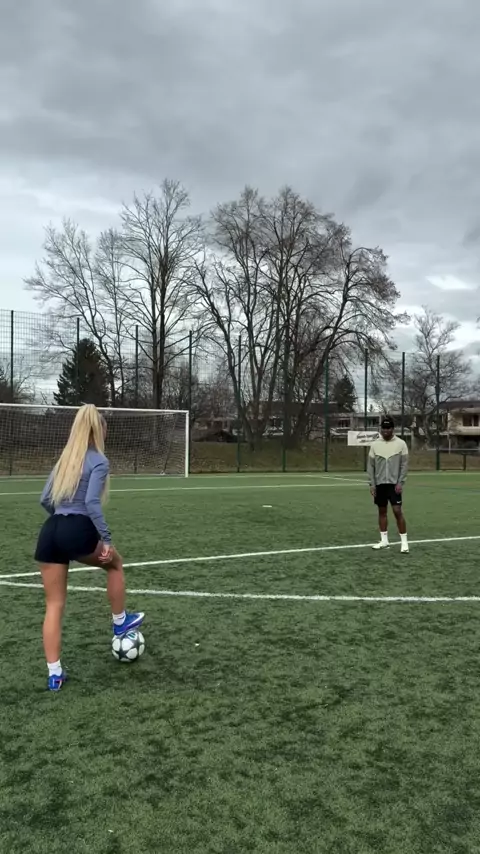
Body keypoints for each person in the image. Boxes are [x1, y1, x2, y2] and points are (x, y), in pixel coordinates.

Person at [35, 404, 145, 692]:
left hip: (50, 530)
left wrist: (61, 522)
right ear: (99, 430)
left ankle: (54, 675)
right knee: (115, 563)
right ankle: (120, 622)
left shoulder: (65, 459)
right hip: (77, 529)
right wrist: (106, 539)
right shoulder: (98, 460)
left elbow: (45, 499)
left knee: (54, 604)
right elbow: (92, 503)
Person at [367, 415, 409, 553]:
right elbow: (371, 466)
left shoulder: (401, 444)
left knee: (397, 511)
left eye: (388, 428)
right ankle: (384, 541)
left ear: (392, 429)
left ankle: (404, 543)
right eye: (383, 428)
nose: (385, 431)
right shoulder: (375, 444)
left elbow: (404, 465)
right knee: (382, 512)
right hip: (380, 484)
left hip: (394, 484)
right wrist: (372, 484)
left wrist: (400, 482)